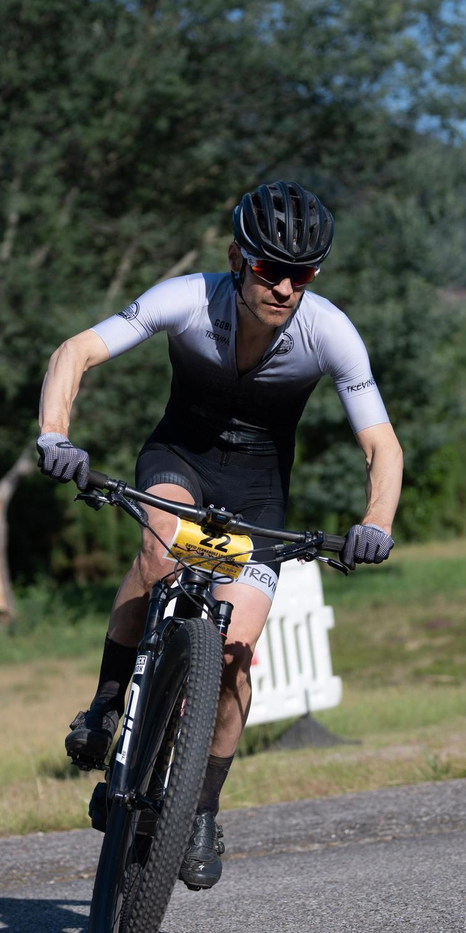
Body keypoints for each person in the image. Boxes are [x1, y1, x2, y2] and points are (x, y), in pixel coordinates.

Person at [35, 180, 402, 890]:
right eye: (271, 268)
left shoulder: (329, 331)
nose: (287, 287)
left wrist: (375, 522)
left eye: (305, 273)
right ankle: (108, 705)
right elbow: (74, 352)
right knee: (160, 547)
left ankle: (200, 807)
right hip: (179, 463)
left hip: (256, 495)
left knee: (236, 654)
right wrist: (56, 435)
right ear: (238, 257)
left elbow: (381, 446)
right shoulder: (187, 299)